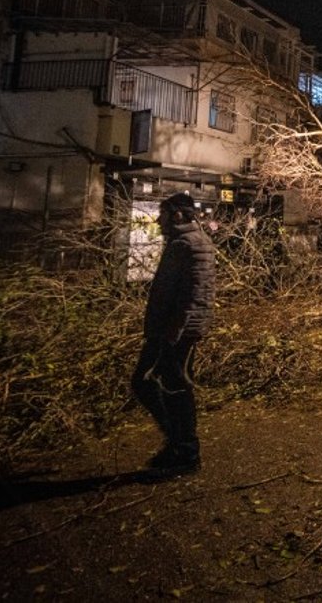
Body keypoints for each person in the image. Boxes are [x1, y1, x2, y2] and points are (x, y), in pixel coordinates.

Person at [132, 191, 215, 473]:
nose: (158, 220)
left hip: (174, 330)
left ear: (177, 215)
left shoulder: (186, 244)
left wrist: (174, 330)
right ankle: (180, 444)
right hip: (174, 328)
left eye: (163, 214)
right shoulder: (191, 242)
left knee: (168, 385)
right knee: (171, 384)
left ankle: (184, 448)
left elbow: (194, 292)